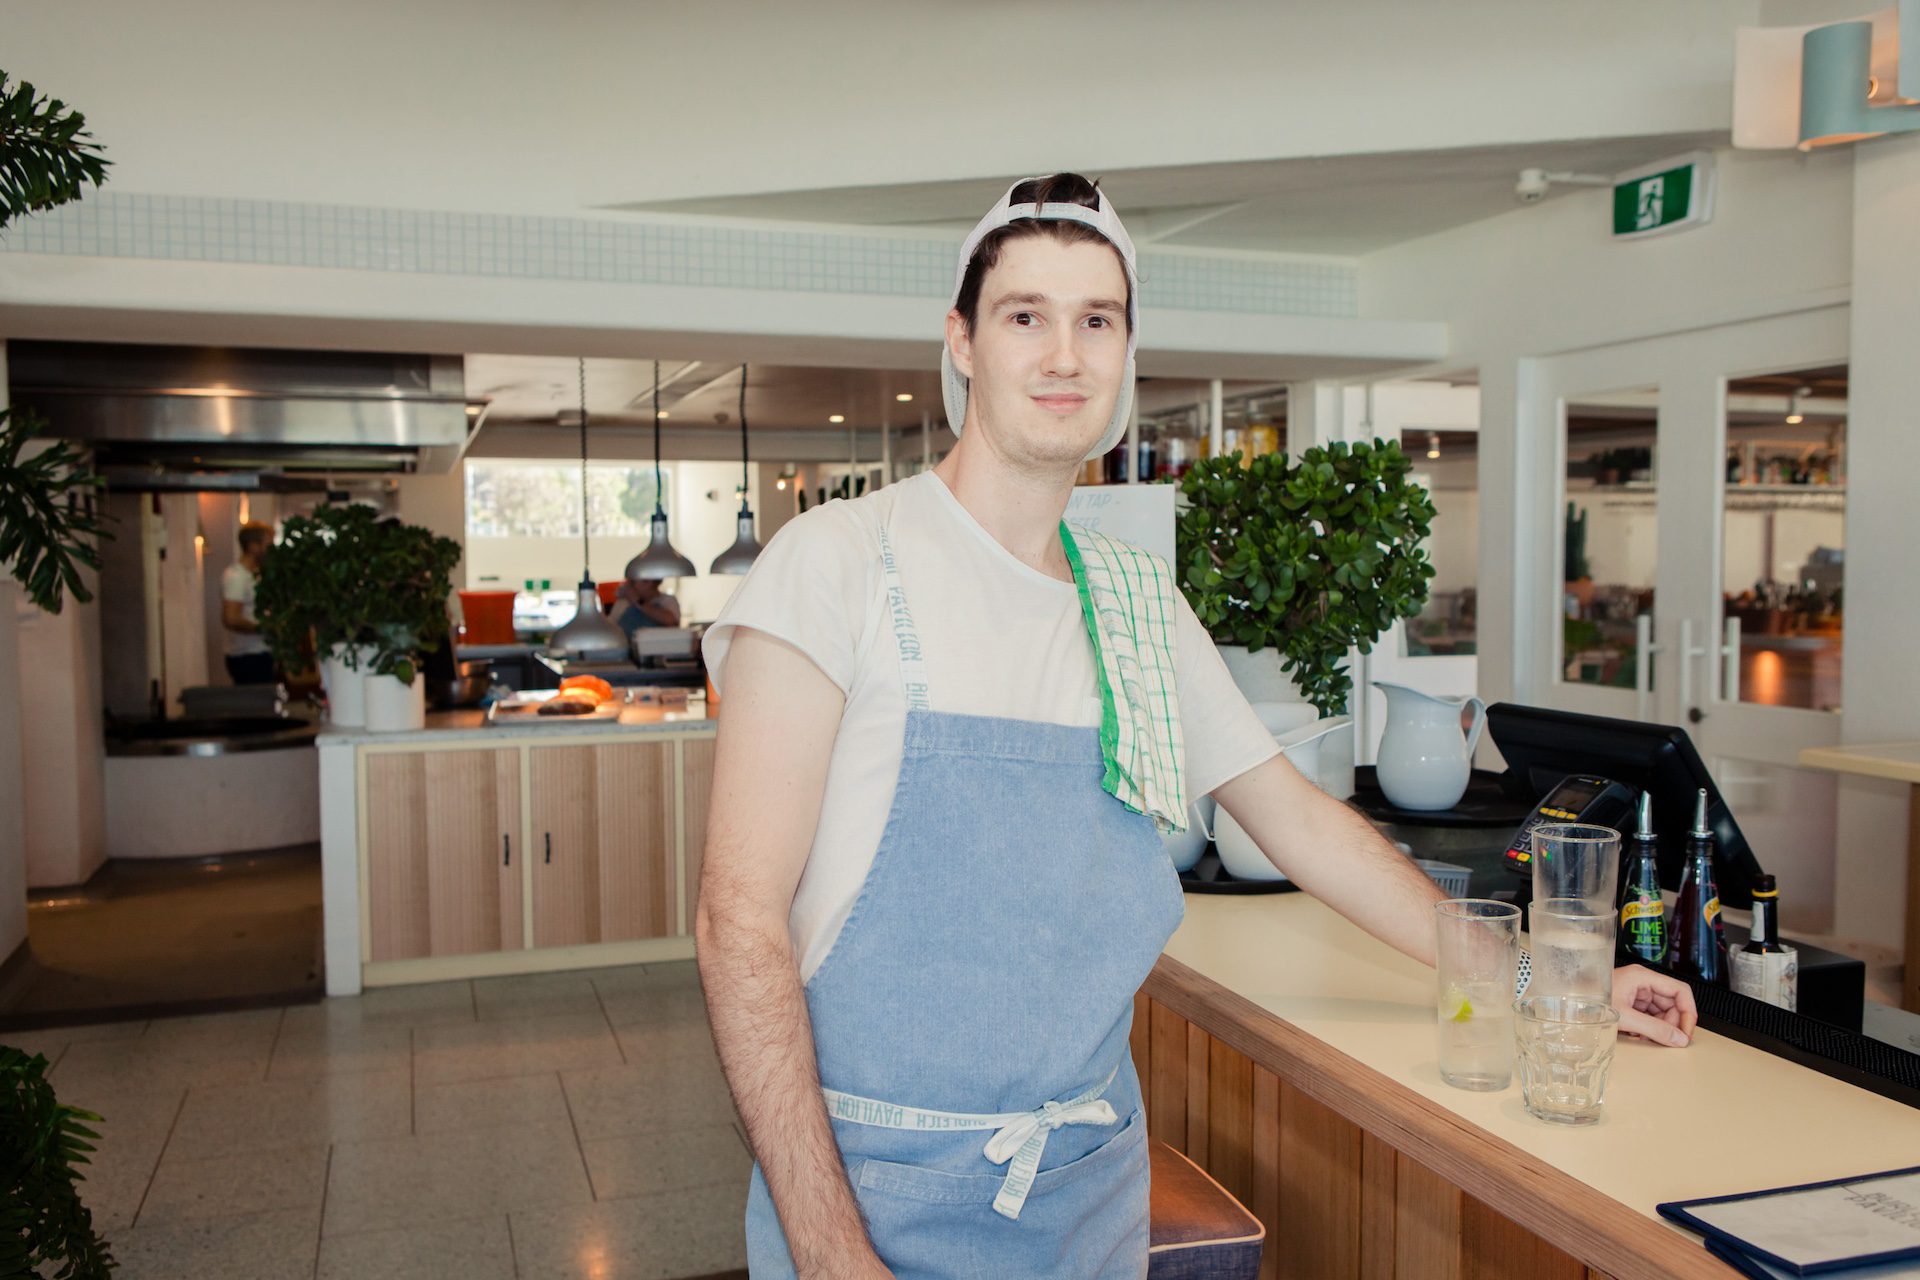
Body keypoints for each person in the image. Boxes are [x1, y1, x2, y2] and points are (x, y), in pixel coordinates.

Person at [695, 174, 1698, 1279]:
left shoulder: (1136, 603)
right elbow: (738, 924)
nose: (1064, 355)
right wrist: (833, 1251)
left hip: (1089, 1195)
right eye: (1025, 315)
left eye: (1097, 320)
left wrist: (1540, 977)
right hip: (874, 1193)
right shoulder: (836, 565)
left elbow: (1303, 824)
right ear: (963, 342)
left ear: (1127, 352)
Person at [220, 520, 275, 685]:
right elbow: (231, 618)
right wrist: (266, 628)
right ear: (253, 546)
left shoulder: (256, 575)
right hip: (247, 656)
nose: (271, 550)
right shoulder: (236, 577)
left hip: (261, 653)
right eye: (268, 544)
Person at [612, 576, 681, 634]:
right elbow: (611, 628)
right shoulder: (623, 603)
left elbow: (672, 621)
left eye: (633, 582)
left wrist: (638, 601)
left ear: (648, 582)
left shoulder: (668, 600)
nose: (632, 587)